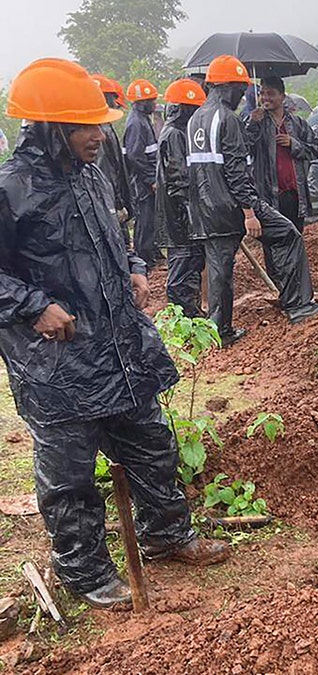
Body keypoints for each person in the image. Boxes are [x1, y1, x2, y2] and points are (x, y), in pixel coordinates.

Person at [0, 58, 230, 611]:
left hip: (117, 346)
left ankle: (166, 534)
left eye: (99, 124)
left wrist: (133, 264)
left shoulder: (92, 174)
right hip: (56, 359)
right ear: (51, 128)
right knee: (71, 475)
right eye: (84, 126)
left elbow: (112, 233)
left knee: (152, 443)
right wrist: (33, 306)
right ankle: (84, 571)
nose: (99, 135)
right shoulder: (12, 189)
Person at [186, 55, 318, 345]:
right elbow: (236, 171)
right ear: (226, 86)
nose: (245, 95)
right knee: (288, 234)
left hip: (206, 209)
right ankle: (299, 305)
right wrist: (249, 212)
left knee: (220, 270)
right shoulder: (228, 119)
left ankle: (220, 331)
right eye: (241, 89)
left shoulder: (196, 118)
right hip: (235, 204)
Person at [155, 79, 208, 318]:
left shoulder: (177, 132)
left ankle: (191, 312)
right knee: (183, 263)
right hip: (179, 215)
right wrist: (192, 211)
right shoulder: (174, 135)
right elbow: (178, 178)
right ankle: (183, 316)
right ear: (185, 109)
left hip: (181, 212)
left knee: (191, 261)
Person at [246, 77, 318, 232]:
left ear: (283, 96)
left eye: (271, 93)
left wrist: (293, 144)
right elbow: (245, 148)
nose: (265, 98)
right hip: (268, 197)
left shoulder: (297, 123)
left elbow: (316, 149)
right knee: (273, 245)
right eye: (262, 94)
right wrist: (252, 123)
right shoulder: (257, 122)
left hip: (295, 195)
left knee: (296, 239)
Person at [123, 79, 162, 267]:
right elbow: (135, 156)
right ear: (141, 102)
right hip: (141, 183)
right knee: (145, 220)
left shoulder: (143, 120)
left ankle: (152, 252)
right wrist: (150, 179)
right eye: (151, 100)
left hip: (146, 179)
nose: (155, 104)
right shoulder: (136, 123)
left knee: (151, 218)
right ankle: (144, 257)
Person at [91, 75, 132, 229]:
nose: (115, 104)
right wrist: (117, 204)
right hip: (106, 204)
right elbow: (106, 172)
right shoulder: (102, 130)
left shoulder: (104, 128)